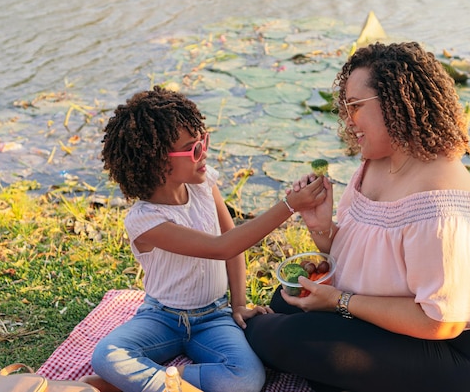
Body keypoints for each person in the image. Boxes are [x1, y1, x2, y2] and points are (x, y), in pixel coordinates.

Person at [243, 42, 470, 392]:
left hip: (458, 355)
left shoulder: (439, 205)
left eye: (356, 106)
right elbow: (373, 259)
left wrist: (339, 303)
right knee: (282, 303)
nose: (347, 118)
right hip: (397, 323)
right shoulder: (379, 159)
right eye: (345, 106)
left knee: (270, 334)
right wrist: (322, 227)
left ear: (396, 106)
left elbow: (442, 323)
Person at [82, 86, 327, 392]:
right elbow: (221, 247)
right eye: (194, 149)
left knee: (247, 379)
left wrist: (238, 304)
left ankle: (145, 384)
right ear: (158, 162)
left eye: (204, 140)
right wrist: (290, 205)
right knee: (107, 355)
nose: (204, 153)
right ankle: (150, 382)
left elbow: (232, 241)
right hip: (162, 318)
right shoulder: (145, 220)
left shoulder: (203, 184)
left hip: (213, 317)